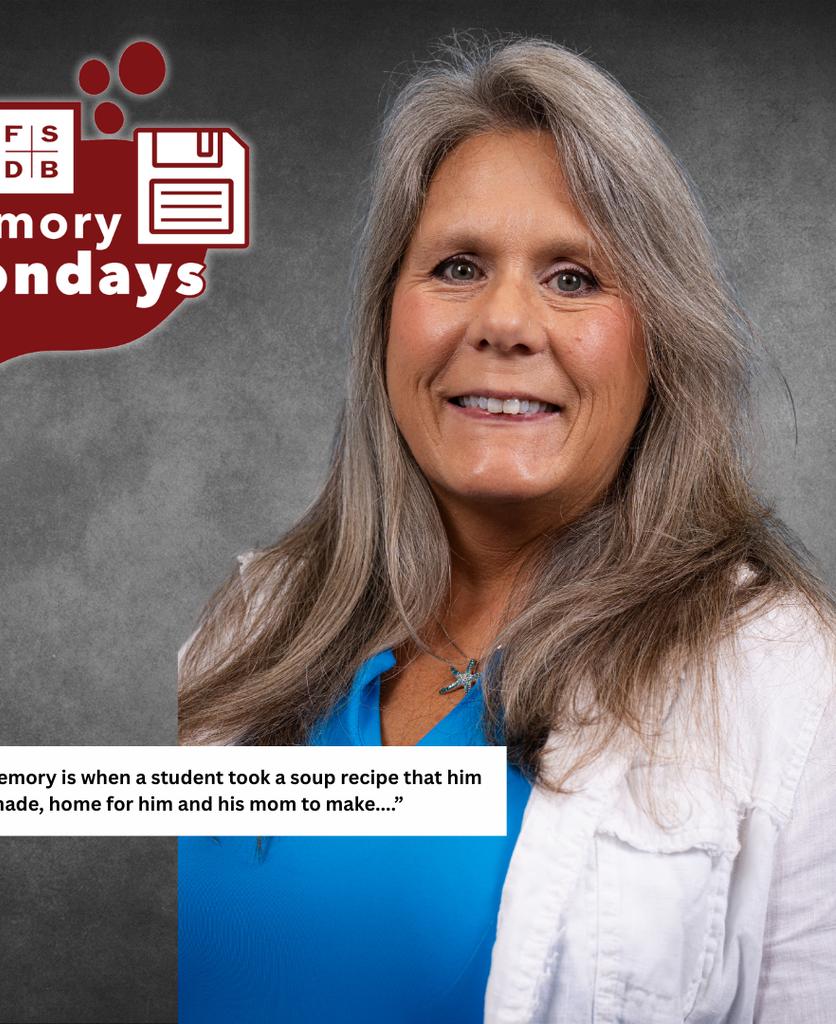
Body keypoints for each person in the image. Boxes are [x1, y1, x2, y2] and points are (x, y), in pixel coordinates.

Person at [178, 37, 836, 1023]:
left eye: (572, 278)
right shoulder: (248, 621)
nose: (504, 323)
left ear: (659, 340)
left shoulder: (786, 682)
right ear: (385, 324)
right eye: (455, 266)